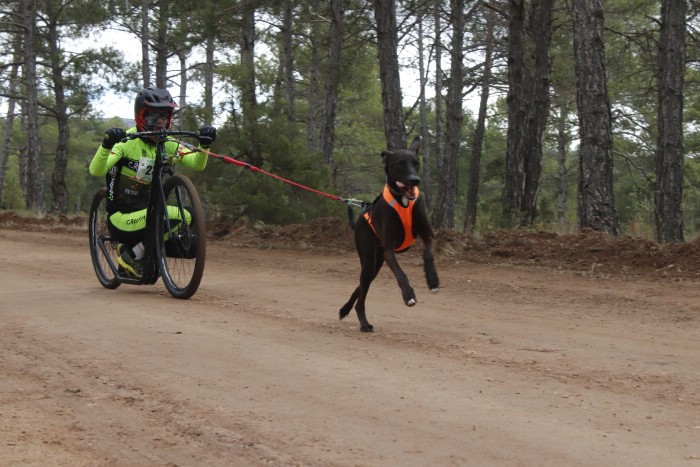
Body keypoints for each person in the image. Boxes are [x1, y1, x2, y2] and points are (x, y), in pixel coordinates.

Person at [89, 86, 217, 278]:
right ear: (141, 116)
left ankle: (135, 251)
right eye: (153, 117)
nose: (160, 123)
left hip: (149, 217)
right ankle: (130, 256)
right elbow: (96, 170)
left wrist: (205, 144)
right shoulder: (126, 142)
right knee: (175, 217)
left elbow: (197, 164)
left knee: (192, 244)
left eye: (164, 117)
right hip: (122, 217)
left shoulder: (168, 143)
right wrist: (107, 144)